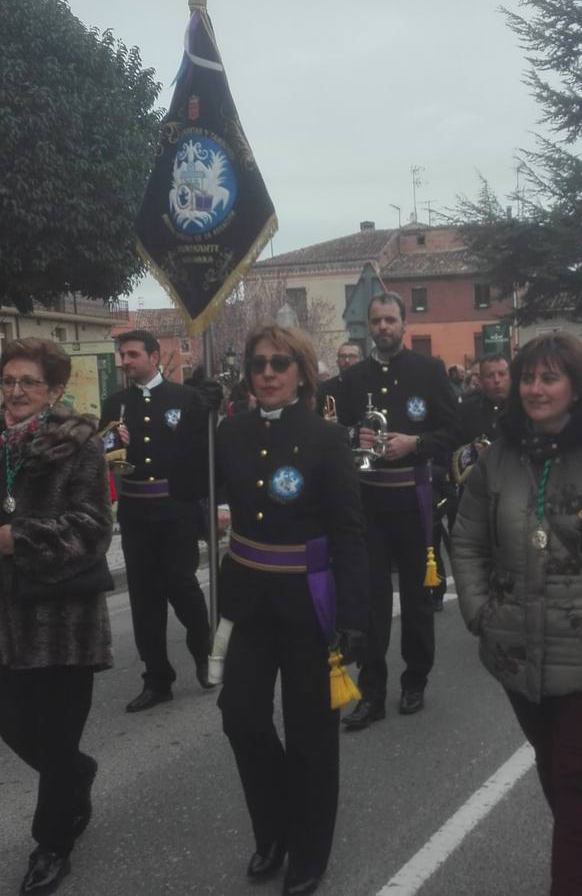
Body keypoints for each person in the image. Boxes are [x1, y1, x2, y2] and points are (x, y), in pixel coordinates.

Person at [452, 331, 582, 896]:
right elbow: (466, 541)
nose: (535, 389)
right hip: (517, 653)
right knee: (554, 770)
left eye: (550, 377)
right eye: (528, 378)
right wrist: (480, 613)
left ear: (578, 386)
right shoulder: (498, 459)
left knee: (579, 780)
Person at [170, 324, 369, 896]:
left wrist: (355, 614)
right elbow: (184, 485)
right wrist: (196, 415)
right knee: (241, 717)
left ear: (301, 372)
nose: (267, 373)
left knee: (311, 735)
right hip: (247, 601)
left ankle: (309, 850)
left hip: (309, 603)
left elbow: (349, 531)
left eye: (280, 363)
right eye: (258, 364)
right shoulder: (230, 431)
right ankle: (276, 828)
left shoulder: (327, 439)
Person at [0, 338, 113, 895]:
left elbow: (93, 528)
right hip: (4, 620)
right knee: (14, 724)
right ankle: (75, 772)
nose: (15, 391)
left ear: (54, 390)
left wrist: (17, 539)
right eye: (8, 381)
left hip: (62, 622)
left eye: (29, 381)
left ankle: (52, 844)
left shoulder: (78, 445)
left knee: (59, 733)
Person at [337, 292, 459, 729]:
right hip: (369, 503)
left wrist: (416, 443)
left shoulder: (429, 371)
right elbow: (338, 433)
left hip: (413, 498)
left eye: (390, 320)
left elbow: (454, 428)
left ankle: (415, 680)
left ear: (404, 324)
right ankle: (372, 691)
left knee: (416, 597)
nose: (383, 327)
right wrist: (355, 437)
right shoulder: (353, 378)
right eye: (376, 321)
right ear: (368, 326)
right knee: (371, 600)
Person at [99, 329, 216, 713]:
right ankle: (157, 679)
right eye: (123, 355)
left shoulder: (184, 399)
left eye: (132, 354)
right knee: (144, 598)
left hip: (175, 510)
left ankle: (204, 654)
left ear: (153, 356)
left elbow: (203, 450)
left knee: (183, 587)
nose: (125, 362)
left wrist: (210, 407)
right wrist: (114, 443)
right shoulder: (115, 404)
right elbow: (106, 457)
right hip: (136, 514)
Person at [315, 341, 362, 419]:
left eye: (352, 356)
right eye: (342, 356)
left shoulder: (368, 386)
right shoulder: (325, 388)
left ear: (360, 360)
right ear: (337, 361)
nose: (347, 360)